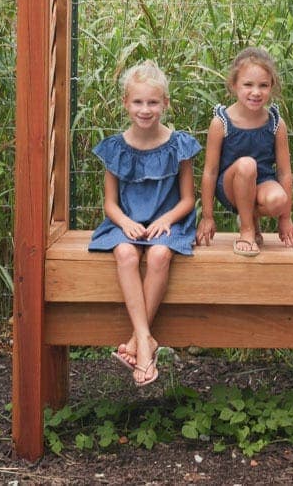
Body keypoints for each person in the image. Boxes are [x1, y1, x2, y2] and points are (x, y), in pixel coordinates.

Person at [88, 60, 201, 386]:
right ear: (125, 103)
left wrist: (166, 219)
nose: (145, 109)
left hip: (168, 225)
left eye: (153, 102)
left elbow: (187, 200)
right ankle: (144, 339)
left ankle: (138, 343)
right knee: (125, 254)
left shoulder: (179, 145)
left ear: (165, 103)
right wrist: (125, 223)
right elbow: (110, 203)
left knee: (159, 256)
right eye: (138, 102)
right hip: (126, 224)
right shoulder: (115, 148)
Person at [196, 46, 293, 256]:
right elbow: (210, 171)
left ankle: (251, 218)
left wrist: (285, 218)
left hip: (262, 182)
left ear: (272, 86)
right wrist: (207, 216)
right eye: (248, 84)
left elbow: (284, 172)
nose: (256, 92)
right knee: (246, 164)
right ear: (234, 85)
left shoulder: (276, 124)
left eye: (263, 85)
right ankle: (247, 230)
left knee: (279, 200)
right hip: (230, 185)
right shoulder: (221, 122)